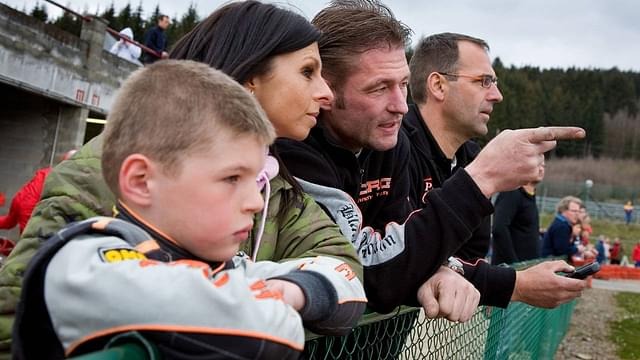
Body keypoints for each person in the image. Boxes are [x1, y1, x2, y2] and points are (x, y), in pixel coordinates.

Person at [0, 1, 362, 353]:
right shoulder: (100, 173)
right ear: (251, 77)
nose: (325, 93)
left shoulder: (278, 184)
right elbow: (11, 320)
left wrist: (283, 290)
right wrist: (251, 300)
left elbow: (345, 268)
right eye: (307, 71)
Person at [277, 1, 586, 321]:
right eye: (379, 88)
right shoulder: (294, 150)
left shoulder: (391, 146)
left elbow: (402, 251)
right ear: (324, 89)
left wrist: (441, 269)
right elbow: (371, 274)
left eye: (404, 84)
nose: (401, 106)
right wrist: (481, 179)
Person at [403, 32, 584, 309]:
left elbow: (472, 254)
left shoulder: (470, 156)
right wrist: (515, 284)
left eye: (495, 82)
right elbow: (396, 259)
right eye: (483, 81)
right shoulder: (392, 147)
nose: (497, 95)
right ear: (438, 85)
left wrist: (446, 268)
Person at [0, 150, 76, 235]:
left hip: (19, 199)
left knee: (8, 222)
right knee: (26, 240)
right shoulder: (62, 179)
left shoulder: (47, 171)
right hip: (28, 208)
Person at [491, 181, 541, 265]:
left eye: (544, 166)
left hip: (527, 266)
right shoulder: (512, 192)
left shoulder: (530, 196)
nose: (541, 169)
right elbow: (499, 228)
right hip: (512, 270)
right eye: (538, 166)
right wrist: (514, 263)